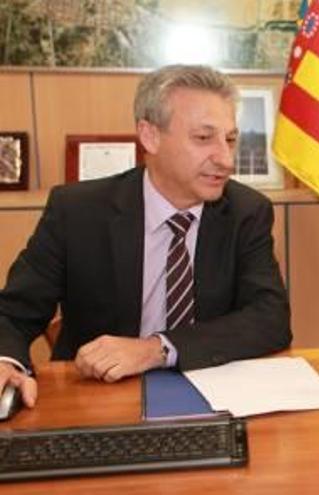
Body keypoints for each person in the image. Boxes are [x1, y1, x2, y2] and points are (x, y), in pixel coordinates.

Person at [0, 65, 292, 410]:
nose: (226, 160)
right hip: (96, 400)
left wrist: (156, 349)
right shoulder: (78, 212)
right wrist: (5, 363)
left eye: (230, 139)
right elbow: (13, 313)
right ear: (150, 136)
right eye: (203, 138)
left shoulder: (246, 211)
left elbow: (270, 318)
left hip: (212, 395)